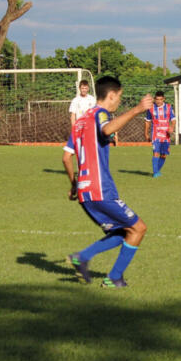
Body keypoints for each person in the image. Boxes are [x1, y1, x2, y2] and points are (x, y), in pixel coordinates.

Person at [62, 76, 152, 289]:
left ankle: (82, 257)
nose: (119, 101)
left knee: (123, 232)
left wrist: (74, 185)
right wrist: (136, 110)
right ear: (111, 95)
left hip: (85, 192)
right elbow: (106, 130)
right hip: (100, 188)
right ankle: (113, 278)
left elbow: (66, 157)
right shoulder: (101, 113)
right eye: (119, 97)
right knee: (138, 229)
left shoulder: (81, 121)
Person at [144, 90, 176, 177]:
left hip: (166, 135)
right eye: (157, 99)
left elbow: (173, 120)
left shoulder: (169, 107)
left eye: (160, 99)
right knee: (156, 153)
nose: (158, 101)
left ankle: (157, 170)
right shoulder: (150, 109)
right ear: (154, 99)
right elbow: (147, 121)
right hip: (156, 134)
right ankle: (155, 173)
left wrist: (171, 127)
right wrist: (146, 133)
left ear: (164, 99)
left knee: (164, 155)